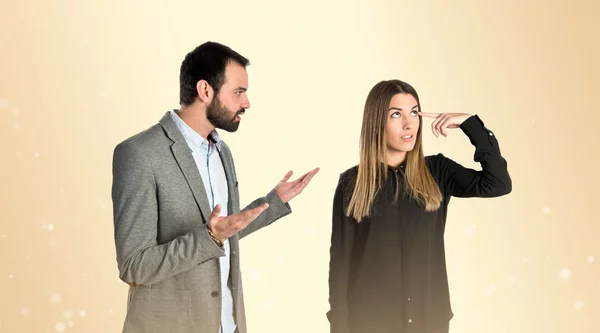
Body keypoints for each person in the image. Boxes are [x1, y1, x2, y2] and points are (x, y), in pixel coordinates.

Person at [111, 41, 319, 333]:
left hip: (227, 325)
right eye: (238, 92)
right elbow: (135, 266)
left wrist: (273, 202)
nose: (246, 103)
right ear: (205, 90)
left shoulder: (222, 152)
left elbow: (225, 230)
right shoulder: (140, 154)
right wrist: (209, 236)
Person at [327, 79, 512, 333]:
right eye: (396, 114)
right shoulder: (352, 183)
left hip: (429, 320)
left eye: (414, 112)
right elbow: (340, 265)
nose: (409, 123)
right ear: (376, 122)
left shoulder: (438, 171)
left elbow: (498, 183)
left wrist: (472, 125)